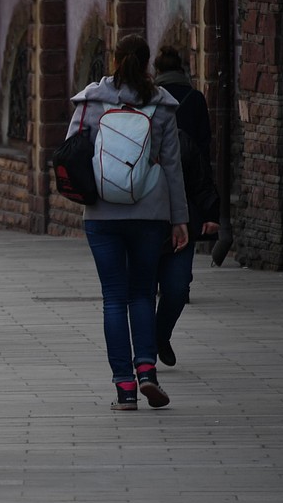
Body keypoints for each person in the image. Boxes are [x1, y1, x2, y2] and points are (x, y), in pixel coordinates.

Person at [67, 34, 189, 411]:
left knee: (113, 299)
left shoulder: (91, 101)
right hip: (149, 213)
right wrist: (179, 219)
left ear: (115, 60)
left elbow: (71, 151)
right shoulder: (163, 106)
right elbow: (172, 166)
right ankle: (147, 370)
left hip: (102, 214)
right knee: (141, 294)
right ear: (148, 63)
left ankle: (124, 389)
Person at [152, 46, 220, 367]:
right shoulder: (131, 133)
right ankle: (143, 358)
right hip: (143, 222)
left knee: (178, 288)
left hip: (181, 218)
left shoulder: (182, 141)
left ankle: (159, 335)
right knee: (143, 290)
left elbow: (199, 171)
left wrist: (209, 213)